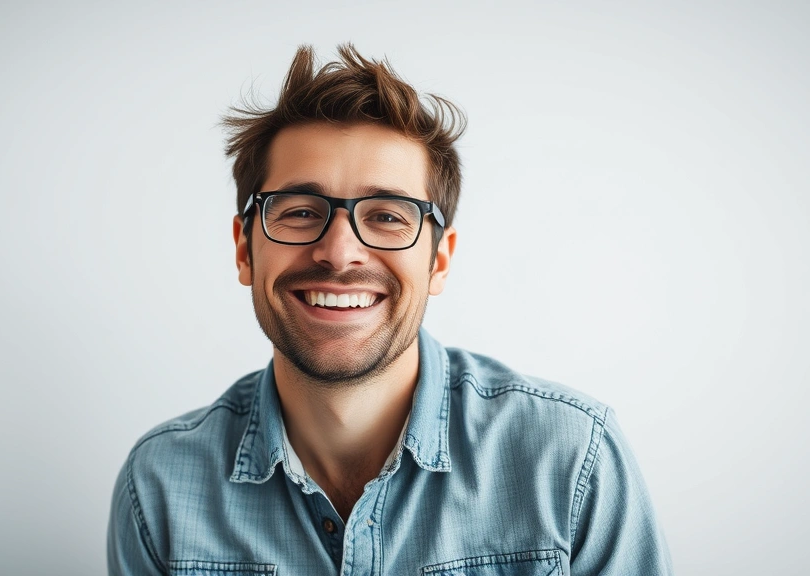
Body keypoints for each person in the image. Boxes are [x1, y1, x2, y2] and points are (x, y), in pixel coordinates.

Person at [108, 44, 672, 575]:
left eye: (387, 215)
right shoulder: (159, 485)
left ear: (439, 261)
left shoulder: (571, 457)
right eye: (300, 211)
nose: (338, 253)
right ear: (243, 249)